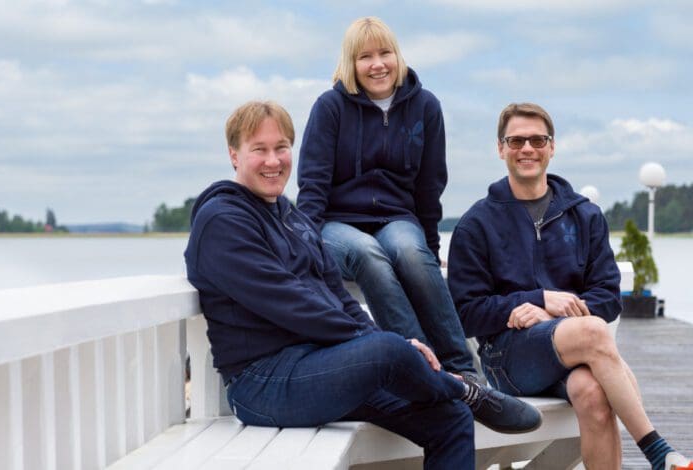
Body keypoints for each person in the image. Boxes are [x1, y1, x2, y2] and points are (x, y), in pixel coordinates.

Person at [183, 101, 542, 470]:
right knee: (389, 350)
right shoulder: (222, 221)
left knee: (448, 418)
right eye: (259, 150)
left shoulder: (291, 217)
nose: (273, 161)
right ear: (234, 155)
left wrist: (386, 342)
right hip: (263, 381)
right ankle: (467, 390)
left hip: (320, 365)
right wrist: (384, 345)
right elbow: (288, 303)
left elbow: (338, 296)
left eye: (282, 148)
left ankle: (457, 396)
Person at [447, 102, 693, 470]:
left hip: (574, 354)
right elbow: (466, 314)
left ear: (552, 147)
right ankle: (659, 452)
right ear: (501, 148)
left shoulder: (584, 215)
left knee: (593, 395)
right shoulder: (476, 224)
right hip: (507, 361)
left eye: (537, 140)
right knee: (590, 330)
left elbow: (608, 297)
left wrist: (551, 309)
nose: (527, 149)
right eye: (516, 140)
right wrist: (534, 300)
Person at [297, 16, 480, 384]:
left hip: (397, 218)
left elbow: (430, 184)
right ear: (351, 64)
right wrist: (305, 245)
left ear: (398, 56)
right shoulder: (330, 107)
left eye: (385, 53)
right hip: (337, 222)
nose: (377, 64)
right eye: (365, 56)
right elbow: (313, 182)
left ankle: (464, 370)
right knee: (368, 254)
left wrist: (428, 246)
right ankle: (427, 371)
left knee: (410, 253)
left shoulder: (425, 107)